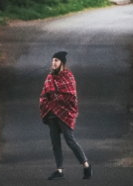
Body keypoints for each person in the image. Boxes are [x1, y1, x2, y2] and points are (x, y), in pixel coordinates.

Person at [40, 51, 90, 180]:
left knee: (70, 140)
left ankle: (86, 165)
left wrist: (55, 97)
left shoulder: (68, 76)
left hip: (64, 114)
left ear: (62, 62)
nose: (53, 63)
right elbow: (44, 95)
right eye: (53, 60)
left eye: (56, 60)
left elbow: (71, 96)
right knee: (55, 143)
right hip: (51, 114)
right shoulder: (50, 77)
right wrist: (47, 104)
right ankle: (59, 170)